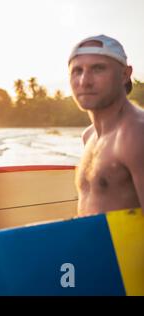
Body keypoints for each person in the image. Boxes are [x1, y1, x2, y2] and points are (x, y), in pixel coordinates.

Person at [68, 34, 144, 216]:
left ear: (125, 74)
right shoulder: (89, 136)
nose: (84, 81)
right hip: (97, 243)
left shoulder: (136, 133)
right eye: (77, 71)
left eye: (98, 69)